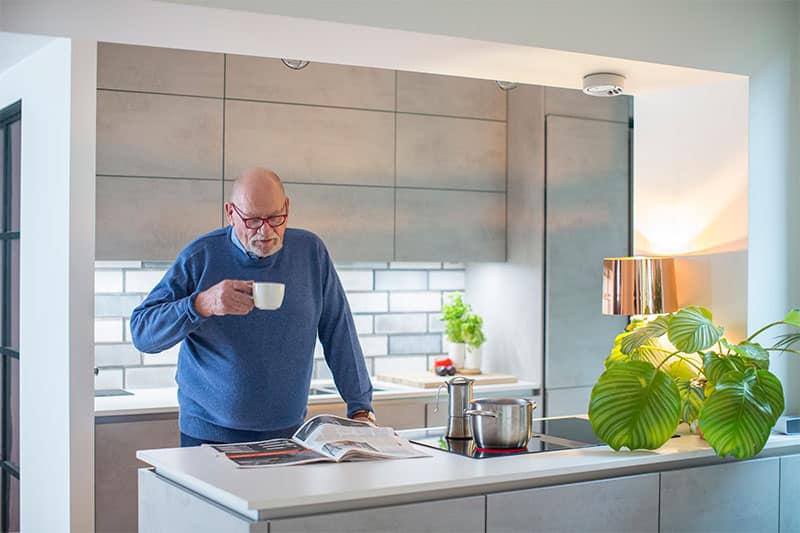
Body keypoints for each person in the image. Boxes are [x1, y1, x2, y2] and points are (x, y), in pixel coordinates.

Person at [130, 167, 375, 446]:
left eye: (275, 218)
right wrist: (201, 304)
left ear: (287, 207)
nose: (266, 231)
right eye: (253, 220)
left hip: (290, 435)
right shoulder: (201, 256)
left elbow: (339, 331)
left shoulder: (310, 252)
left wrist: (360, 408)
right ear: (231, 212)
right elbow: (142, 333)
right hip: (208, 436)